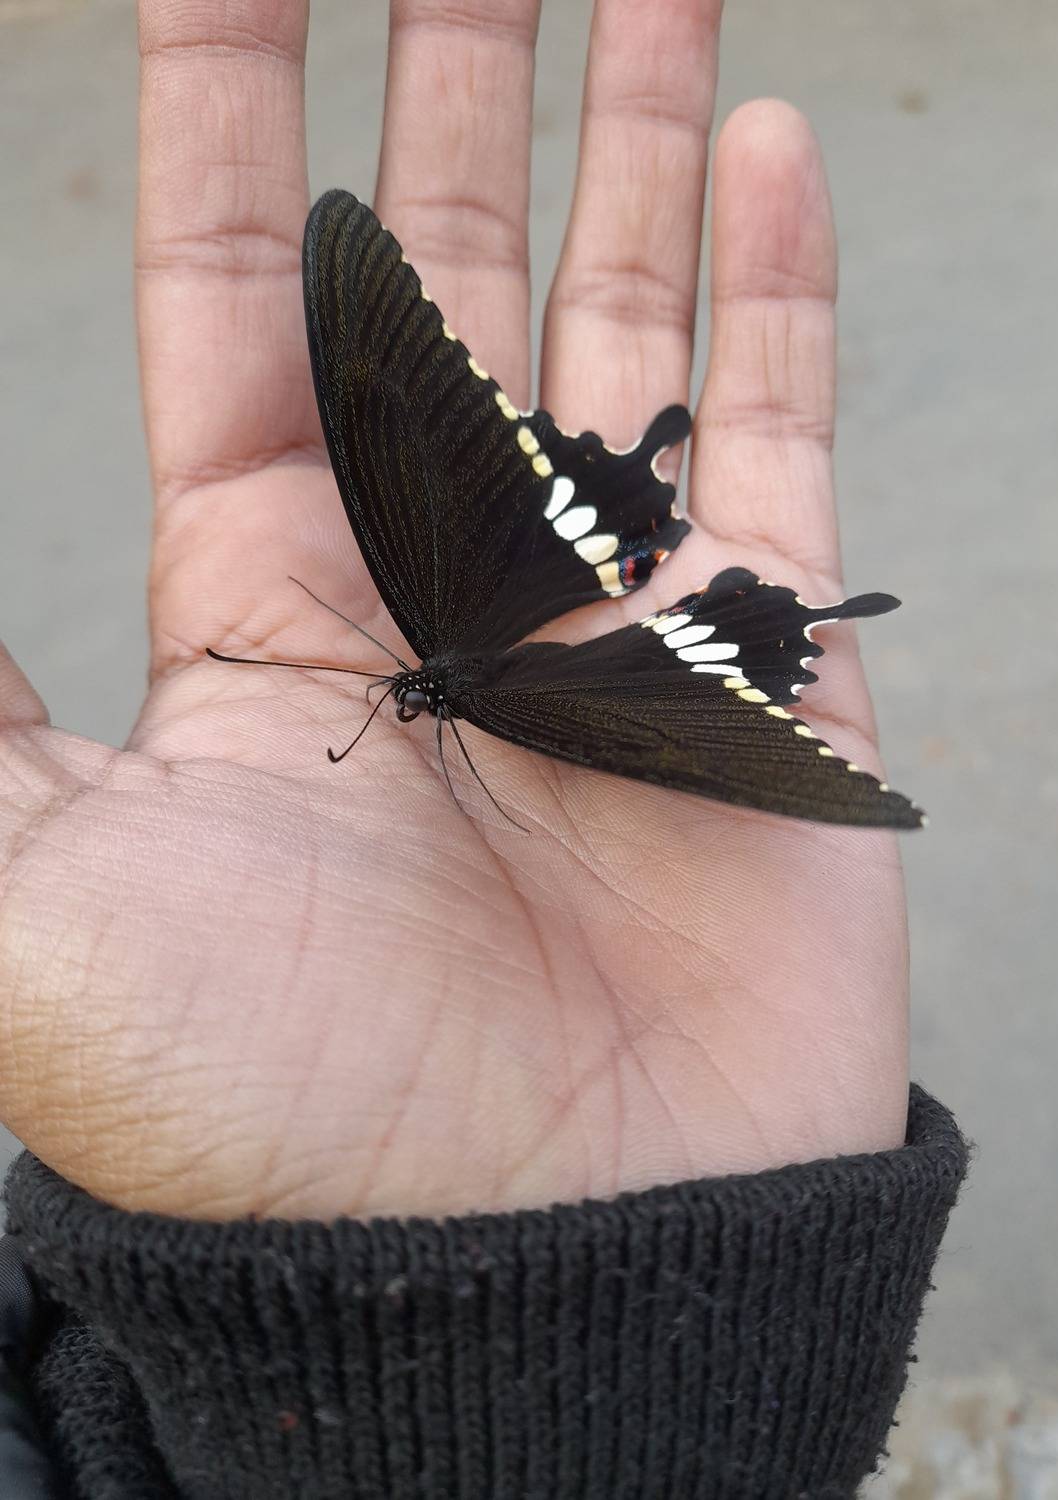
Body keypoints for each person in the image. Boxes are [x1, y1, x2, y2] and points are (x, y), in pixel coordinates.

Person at [0, 1, 967, 1495]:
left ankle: (675, 577)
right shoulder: (460, 659)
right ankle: (692, 587)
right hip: (540, 583)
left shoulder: (441, 649)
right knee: (644, 649)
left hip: (524, 572)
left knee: (597, 604)